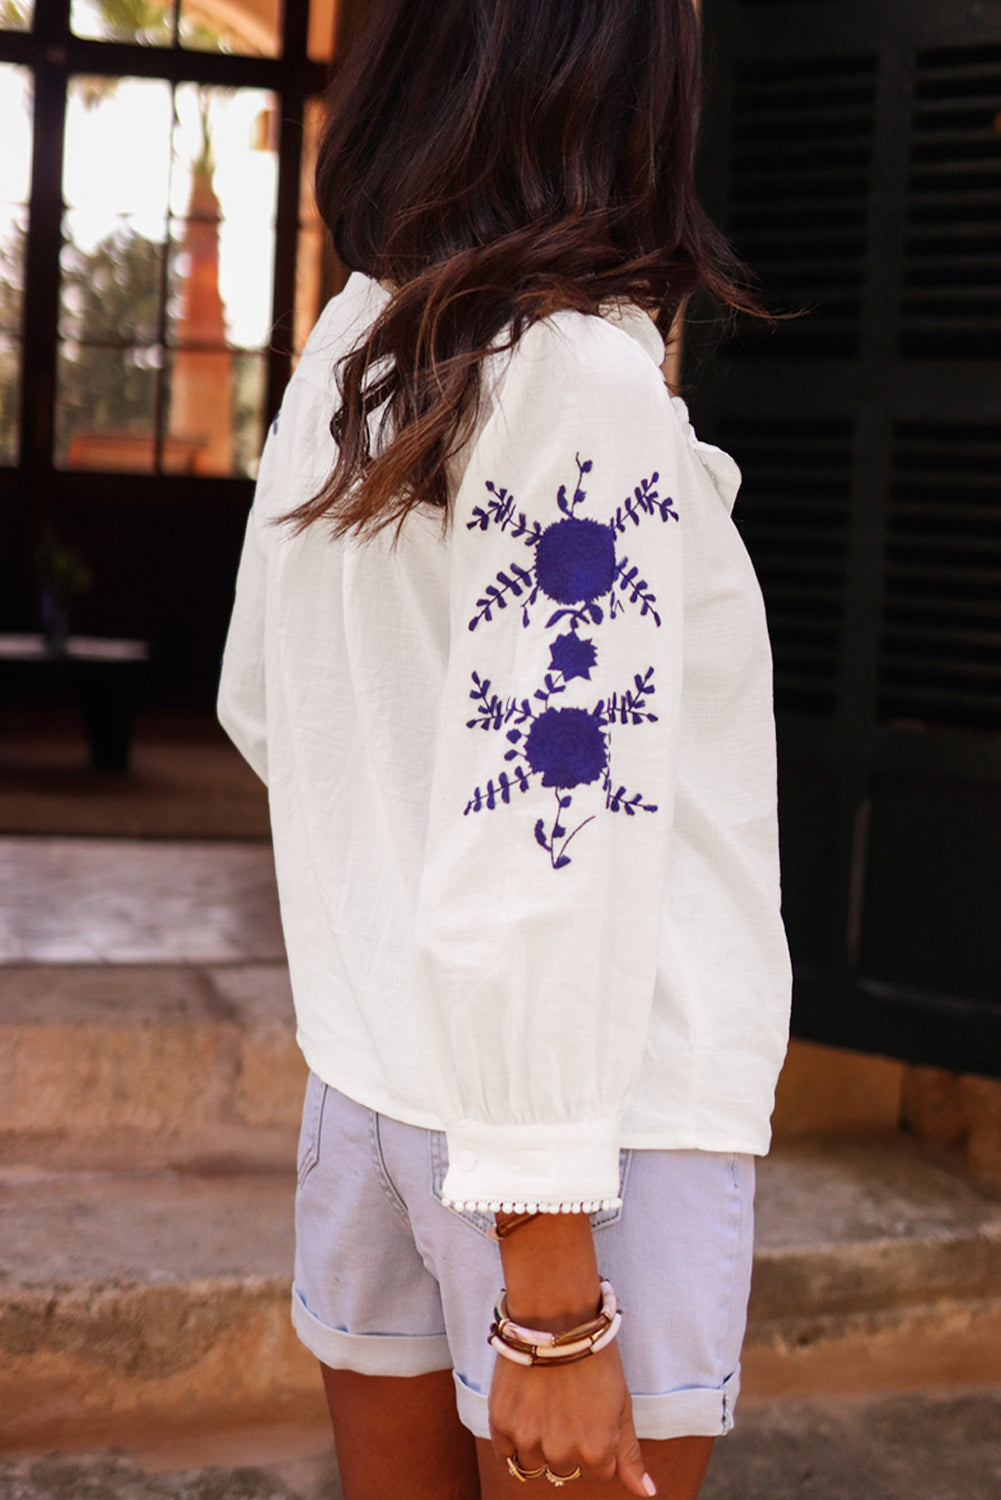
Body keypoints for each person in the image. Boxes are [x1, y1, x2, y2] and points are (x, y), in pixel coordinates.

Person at [218, 1, 792, 1496]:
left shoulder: (360, 338)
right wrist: (551, 1294)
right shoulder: (573, 381)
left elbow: (265, 707)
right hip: (578, 1145)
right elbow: (563, 824)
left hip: (377, 1084)